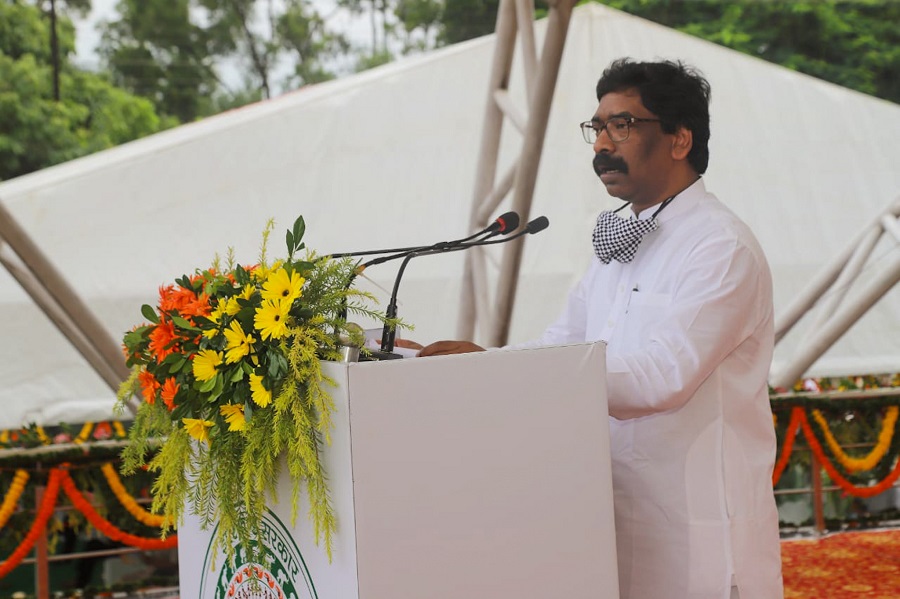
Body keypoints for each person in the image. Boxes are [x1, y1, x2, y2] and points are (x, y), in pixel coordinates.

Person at [412, 59, 784, 599]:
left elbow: (663, 378)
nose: (601, 146)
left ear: (680, 139)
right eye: (597, 128)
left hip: (696, 529)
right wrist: (479, 365)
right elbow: (560, 347)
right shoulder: (617, 243)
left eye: (622, 126)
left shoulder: (720, 247)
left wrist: (500, 369)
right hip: (606, 514)